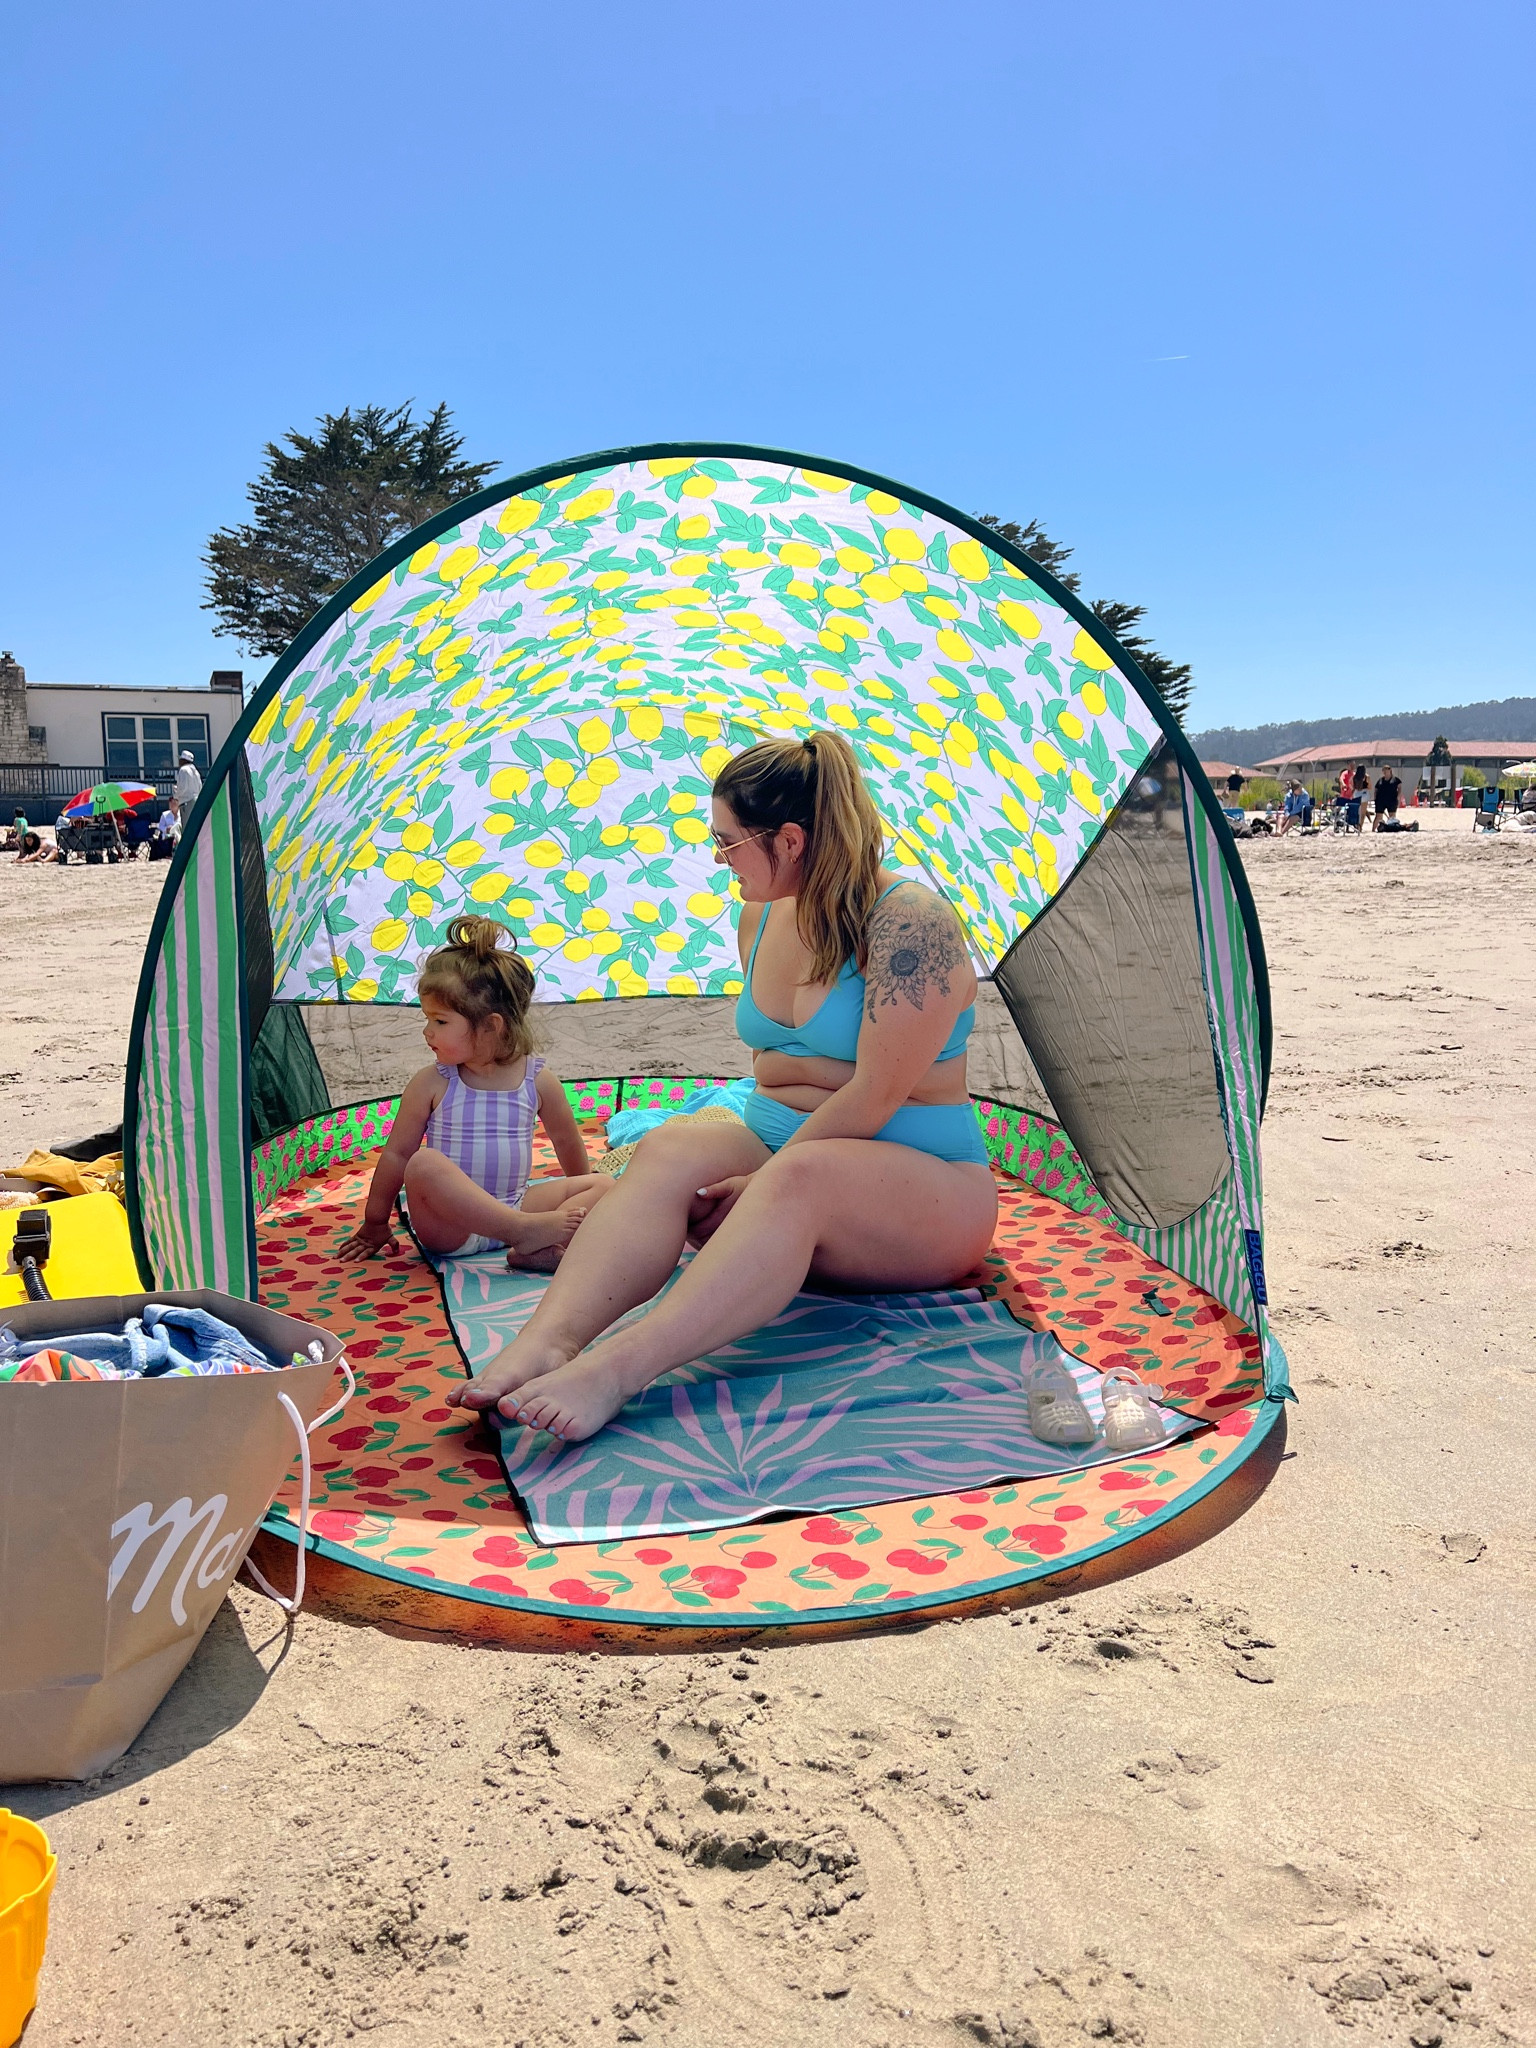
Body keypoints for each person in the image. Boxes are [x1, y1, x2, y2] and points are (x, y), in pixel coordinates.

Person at [450, 729, 998, 1443]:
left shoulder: (909, 924)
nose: (719, 858)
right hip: (788, 1151)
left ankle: (618, 1369)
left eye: (729, 841)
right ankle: (548, 1341)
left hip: (922, 1188)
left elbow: (875, 1095)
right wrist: (744, 1168)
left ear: (790, 840)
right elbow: (779, 1072)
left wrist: (767, 1181)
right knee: (674, 1147)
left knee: (804, 1174)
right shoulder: (760, 914)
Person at [337, 916, 610, 1269]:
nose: (427, 1032)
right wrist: (376, 1221)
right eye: (428, 1019)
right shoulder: (433, 1082)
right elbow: (397, 1155)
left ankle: (533, 1248)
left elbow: (568, 1143)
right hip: (453, 1228)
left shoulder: (538, 1080)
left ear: (490, 1027)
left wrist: (579, 1201)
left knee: (604, 1185)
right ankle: (524, 1233)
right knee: (423, 1163)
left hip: (518, 1203)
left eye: (440, 1021)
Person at [172, 749, 202, 824]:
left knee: (186, 827)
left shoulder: (183, 770)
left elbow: (183, 788)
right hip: (196, 801)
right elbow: (200, 786)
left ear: (183, 760)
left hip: (186, 802)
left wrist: (176, 794)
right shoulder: (196, 771)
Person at [1372, 764, 1402, 830]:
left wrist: (1398, 796)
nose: (1385, 772)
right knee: (1378, 816)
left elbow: (1399, 788)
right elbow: (1376, 789)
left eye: (1386, 770)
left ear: (1390, 770)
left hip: (1392, 800)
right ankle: (1373, 829)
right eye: (1383, 771)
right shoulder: (1380, 780)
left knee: (1392, 816)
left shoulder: (1395, 780)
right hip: (1381, 800)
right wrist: (1375, 798)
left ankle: (1392, 828)